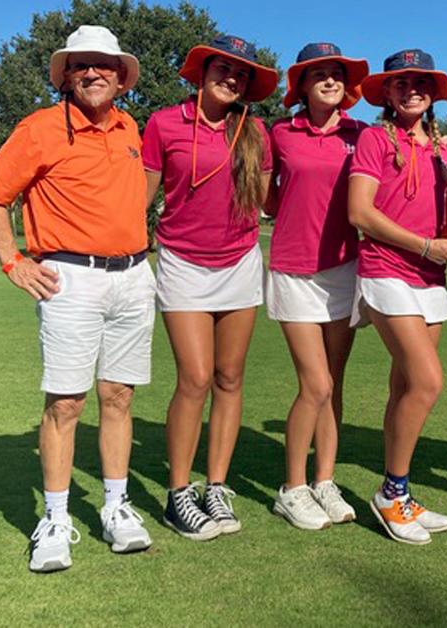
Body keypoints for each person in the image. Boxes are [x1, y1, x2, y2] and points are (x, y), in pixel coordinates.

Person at [0, 25, 153, 571]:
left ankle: (116, 507)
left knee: (118, 397)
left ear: (121, 78)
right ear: (67, 75)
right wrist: (13, 260)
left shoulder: (130, 127)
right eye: (82, 65)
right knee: (66, 402)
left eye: (104, 64)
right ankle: (54, 519)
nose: (93, 73)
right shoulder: (40, 128)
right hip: (70, 278)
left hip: (133, 276)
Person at [141, 35, 277, 540]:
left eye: (241, 73)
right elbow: (142, 197)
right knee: (195, 378)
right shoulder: (163, 123)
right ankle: (179, 492)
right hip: (181, 263)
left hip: (240, 262)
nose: (232, 78)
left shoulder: (256, 131)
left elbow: (270, 202)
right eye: (223, 68)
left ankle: (216, 485)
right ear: (202, 71)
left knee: (229, 377)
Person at [348, 49, 447, 545]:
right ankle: (390, 492)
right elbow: (360, 213)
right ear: (388, 92)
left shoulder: (443, 148)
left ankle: (399, 493)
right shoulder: (376, 138)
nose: (412, 89)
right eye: (401, 83)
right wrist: (424, 244)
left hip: (431, 278)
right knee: (427, 382)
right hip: (386, 270)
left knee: (404, 389)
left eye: (421, 82)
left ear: (434, 91)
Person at [267, 43, 369, 530]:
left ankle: (324, 479)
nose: (330, 81)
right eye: (319, 75)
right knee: (316, 383)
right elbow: (265, 197)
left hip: (346, 269)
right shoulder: (280, 133)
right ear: (302, 86)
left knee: (335, 385)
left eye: (336, 74)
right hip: (293, 269)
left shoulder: (362, 134)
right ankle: (292, 487)